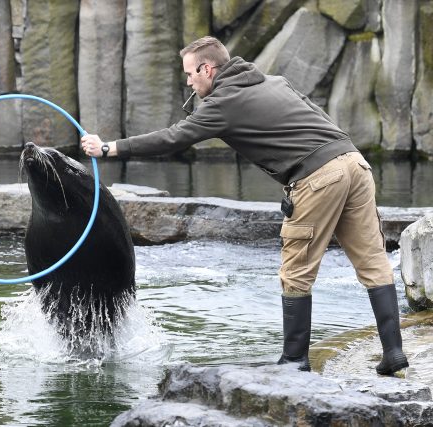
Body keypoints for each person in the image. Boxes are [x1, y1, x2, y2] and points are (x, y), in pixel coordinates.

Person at [81, 36, 409, 375]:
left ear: (207, 68)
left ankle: (294, 362)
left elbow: (174, 137)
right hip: (355, 163)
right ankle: (394, 353)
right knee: (372, 260)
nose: (189, 81)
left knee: (295, 272)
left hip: (317, 177)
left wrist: (109, 149)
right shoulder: (275, 82)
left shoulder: (223, 104)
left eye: (191, 74)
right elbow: (321, 119)